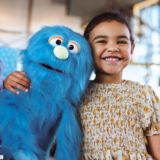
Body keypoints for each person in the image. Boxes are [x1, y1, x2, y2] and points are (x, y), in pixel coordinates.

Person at [3, 11, 160, 160]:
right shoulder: (73, 95)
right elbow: (32, 106)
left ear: (132, 49)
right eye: (102, 41)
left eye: (122, 41)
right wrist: (9, 82)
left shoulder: (144, 94)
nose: (113, 47)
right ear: (87, 51)